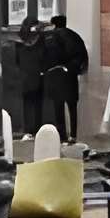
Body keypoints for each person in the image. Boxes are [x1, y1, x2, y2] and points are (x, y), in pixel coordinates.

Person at [40, 14, 90, 142]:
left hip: (57, 75)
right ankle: (73, 135)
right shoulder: (75, 36)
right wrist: (73, 68)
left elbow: (48, 57)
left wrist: (44, 70)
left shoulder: (51, 37)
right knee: (72, 107)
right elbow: (82, 55)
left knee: (59, 107)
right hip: (71, 76)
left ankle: (62, 136)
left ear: (54, 24)